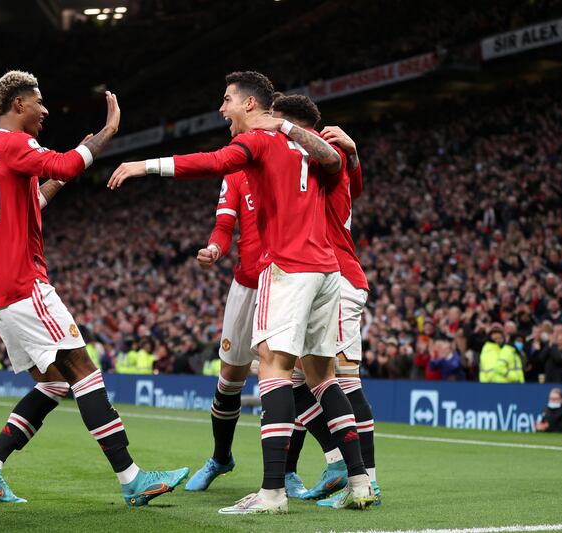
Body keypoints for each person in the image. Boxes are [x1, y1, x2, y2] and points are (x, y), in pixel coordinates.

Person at [109, 71, 373, 513]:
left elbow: (211, 162)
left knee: (271, 368)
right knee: (323, 377)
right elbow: (335, 162)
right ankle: (361, 482)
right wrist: (292, 128)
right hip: (328, 271)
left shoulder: (261, 141)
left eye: (227, 99)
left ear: (251, 104)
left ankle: (271, 493)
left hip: (286, 268)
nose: (222, 107)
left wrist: (144, 165)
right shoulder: (307, 144)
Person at [0, 70, 188, 506]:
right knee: (84, 373)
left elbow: (34, 200)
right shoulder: (15, 142)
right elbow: (66, 163)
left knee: (53, 385)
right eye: (38, 102)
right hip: (24, 284)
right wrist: (105, 135)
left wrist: (66, 171)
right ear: (17, 106)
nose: (45, 110)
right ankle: (132, 479)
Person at [269, 95, 381, 505]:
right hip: (321, 280)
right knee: (297, 382)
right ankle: (338, 464)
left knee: (344, 382)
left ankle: (366, 479)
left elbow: (340, 169)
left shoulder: (318, 158)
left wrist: (349, 153)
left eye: (276, 121)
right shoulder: (323, 160)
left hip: (338, 279)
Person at [184, 167, 262, 492]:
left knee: (286, 374)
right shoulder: (236, 173)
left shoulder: (288, 156)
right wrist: (215, 249)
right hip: (245, 283)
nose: (221, 112)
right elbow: (224, 226)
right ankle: (220, 458)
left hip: (285, 278)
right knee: (230, 377)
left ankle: (286, 472)